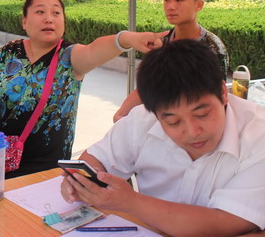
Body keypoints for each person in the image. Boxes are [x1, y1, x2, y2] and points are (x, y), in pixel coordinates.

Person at [60, 40, 265, 236]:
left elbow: (225, 224)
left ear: (223, 93)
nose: (192, 131)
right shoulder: (142, 120)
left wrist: (131, 202)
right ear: (155, 114)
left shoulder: (258, 136)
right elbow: (95, 160)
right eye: (173, 121)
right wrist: (81, 183)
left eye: (202, 114)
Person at [0, 0, 166, 180]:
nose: (49, 19)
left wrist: (127, 39)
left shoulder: (69, 57)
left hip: (45, 169)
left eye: (56, 13)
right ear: (24, 21)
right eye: (40, 12)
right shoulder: (8, 53)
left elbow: (93, 51)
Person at [113, 0, 229, 122]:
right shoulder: (162, 42)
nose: (170, 6)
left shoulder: (212, 48)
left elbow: (215, 102)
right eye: (167, 0)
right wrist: (122, 113)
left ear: (198, 5)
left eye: (179, 0)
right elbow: (149, 85)